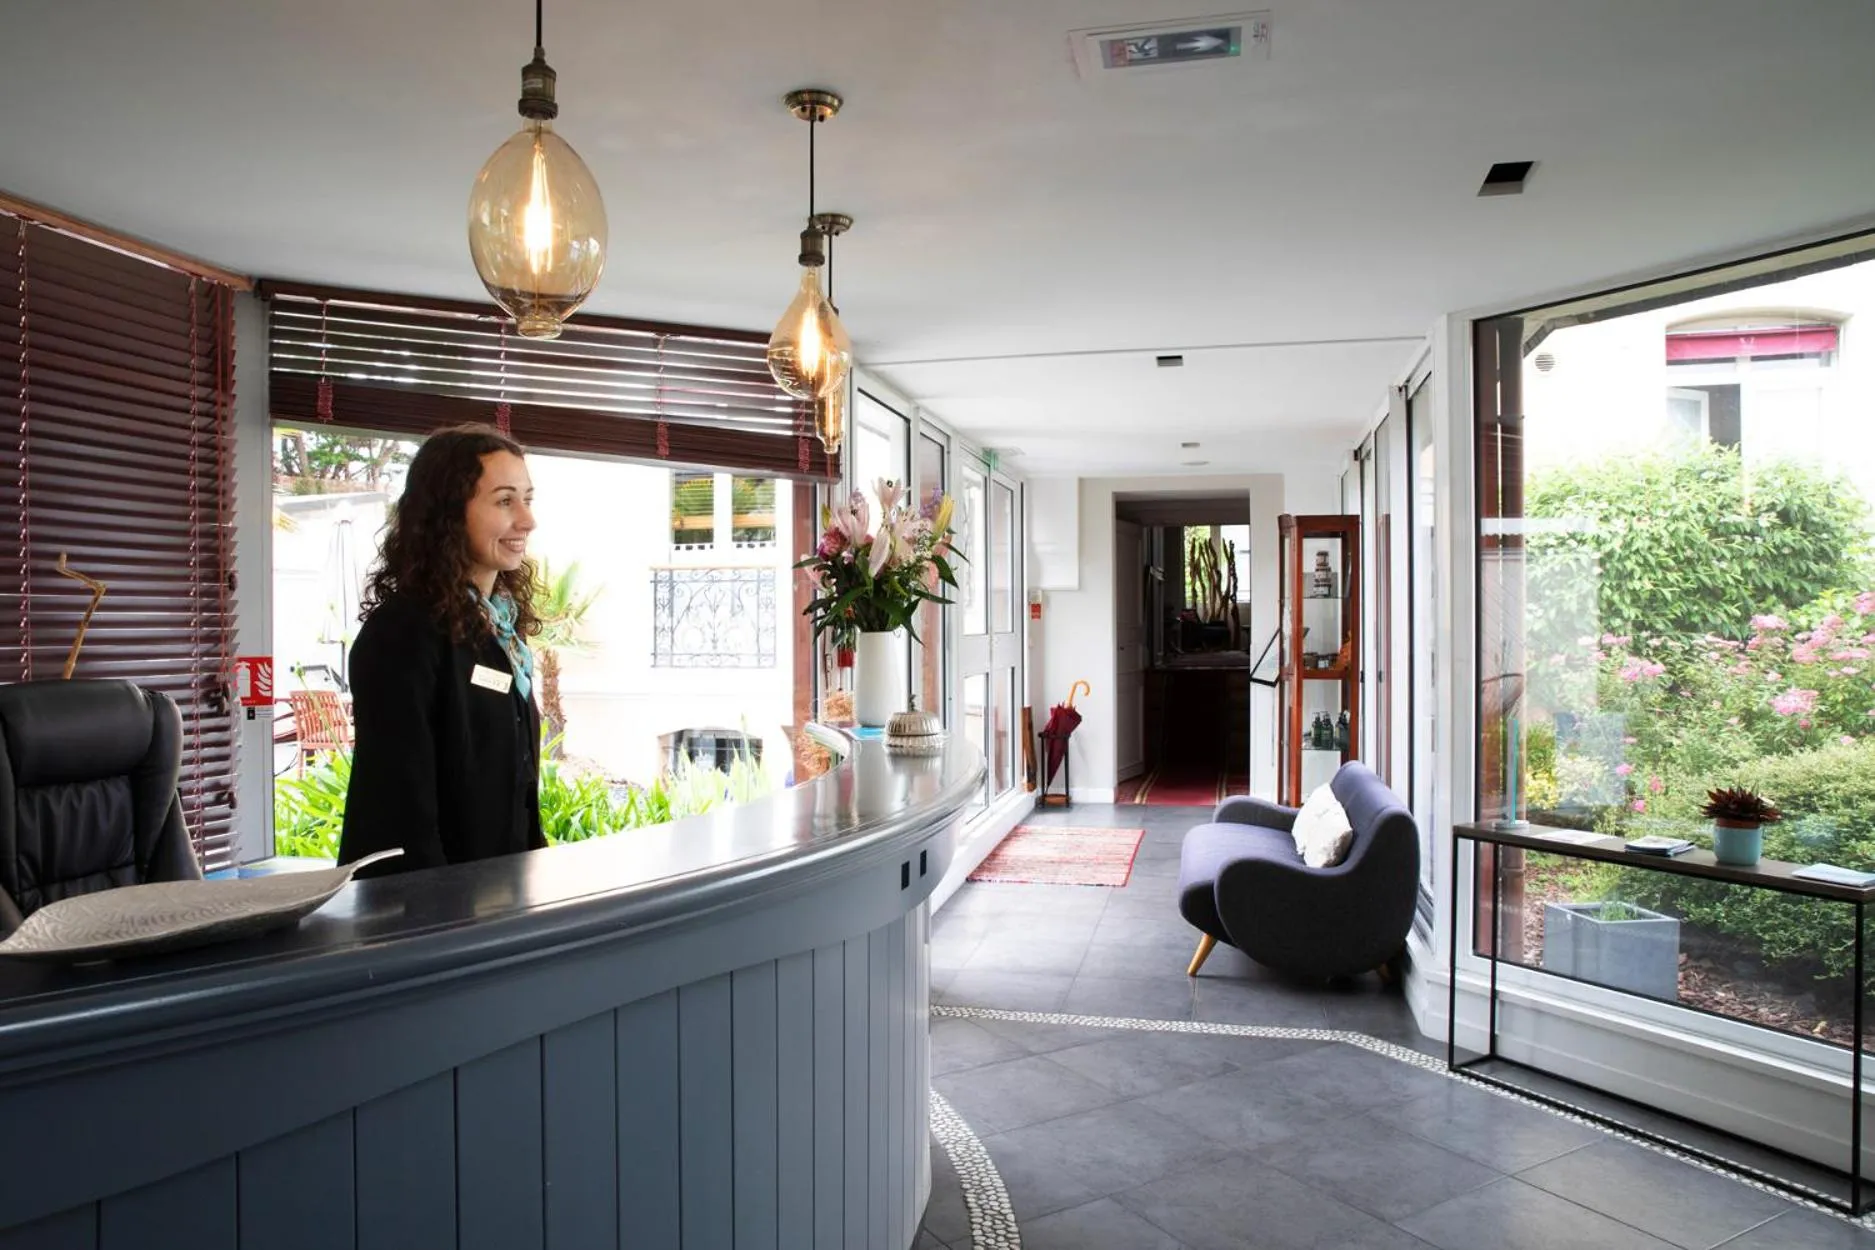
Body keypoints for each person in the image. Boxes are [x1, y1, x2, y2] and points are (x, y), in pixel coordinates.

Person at [337, 423, 545, 876]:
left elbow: (517, 788)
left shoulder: (501, 630)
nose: (527, 520)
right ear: (449, 512)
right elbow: (399, 806)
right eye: (505, 501)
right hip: (425, 902)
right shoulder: (402, 632)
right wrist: (440, 909)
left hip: (497, 893)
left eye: (527, 499)